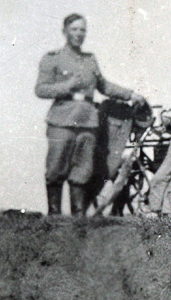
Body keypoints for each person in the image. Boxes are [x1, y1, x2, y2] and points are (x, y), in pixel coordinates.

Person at [35, 13, 147, 215]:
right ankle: (54, 216)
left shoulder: (90, 60)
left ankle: (78, 218)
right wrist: (67, 86)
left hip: (87, 121)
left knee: (82, 170)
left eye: (82, 30)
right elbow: (41, 89)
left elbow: (103, 85)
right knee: (55, 168)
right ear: (65, 32)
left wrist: (130, 94)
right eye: (74, 29)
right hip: (62, 119)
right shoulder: (53, 59)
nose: (79, 34)